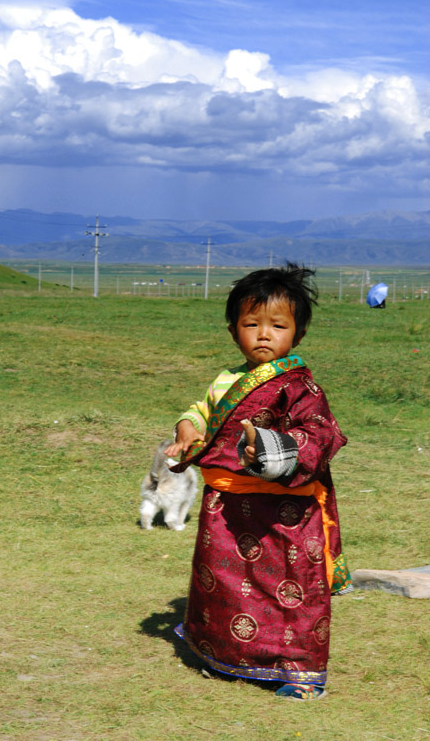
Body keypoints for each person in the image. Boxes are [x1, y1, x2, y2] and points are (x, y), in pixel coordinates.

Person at [166, 263, 351, 701]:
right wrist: (186, 429)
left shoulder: (301, 387)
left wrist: (270, 451)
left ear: (298, 334)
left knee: (289, 591)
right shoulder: (228, 381)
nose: (264, 334)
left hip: (284, 512)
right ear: (234, 331)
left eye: (278, 325)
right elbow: (202, 412)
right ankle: (221, 650)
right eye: (252, 324)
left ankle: (301, 672)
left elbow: (322, 434)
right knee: (225, 581)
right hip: (226, 507)